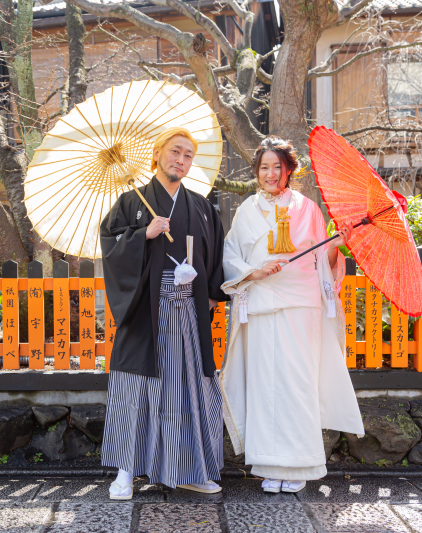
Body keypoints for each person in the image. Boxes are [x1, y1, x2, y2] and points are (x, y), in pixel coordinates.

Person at [220, 136, 364, 493]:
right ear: (257, 171)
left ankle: (300, 463)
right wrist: (255, 271)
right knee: (264, 385)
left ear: (289, 170)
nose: (270, 174)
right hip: (260, 303)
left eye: (277, 167)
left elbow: (320, 262)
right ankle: (269, 463)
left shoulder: (307, 208)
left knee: (296, 383)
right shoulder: (246, 210)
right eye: (264, 167)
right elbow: (230, 256)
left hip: (300, 305)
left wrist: (335, 245)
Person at [100, 127, 228, 500]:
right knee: (137, 388)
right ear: (157, 154)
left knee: (187, 388)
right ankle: (126, 471)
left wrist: (208, 293)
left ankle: (191, 468)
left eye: (189, 155)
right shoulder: (130, 202)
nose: (182, 160)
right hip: (146, 310)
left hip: (188, 310)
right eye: (176, 152)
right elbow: (111, 246)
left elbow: (215, 256)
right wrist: (144, 235)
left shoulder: (202, 207)